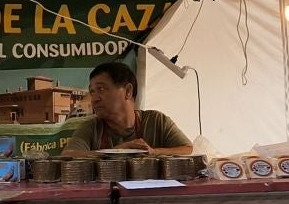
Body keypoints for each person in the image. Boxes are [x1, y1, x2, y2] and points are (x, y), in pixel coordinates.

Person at [63, 61, 192, 151]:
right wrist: (116, 152)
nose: (94, 99)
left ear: (128, 91)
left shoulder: (156, 121)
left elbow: (187, 149)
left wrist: (153, 152)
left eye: (101, 89)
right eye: (92, 92)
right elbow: (70, 155)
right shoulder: (91, 128)